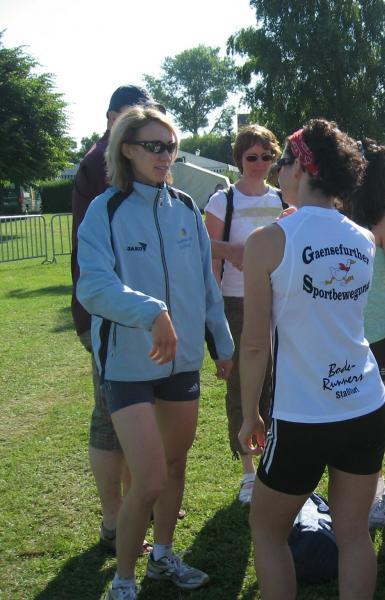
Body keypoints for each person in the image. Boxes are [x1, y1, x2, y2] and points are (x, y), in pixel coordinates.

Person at [77, 106, 234, 600]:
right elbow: (93, 287)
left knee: (174, 466)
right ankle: (124, 580)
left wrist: (222, 343)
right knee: (146, 480)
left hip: (182, 363)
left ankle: (163, 556)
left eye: (171, 147)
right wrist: (151, 312)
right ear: (127, 149)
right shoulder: (105, 210)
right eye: (154, 147)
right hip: (128, 365)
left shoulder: (185, 207)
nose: (166, 156)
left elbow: (205, 284)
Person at [238, 119, 385, 600]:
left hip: (303, 414)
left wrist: (249, 414)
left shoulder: (267, 241)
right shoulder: (364, 238)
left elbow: (255, 343)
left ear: (303, 168)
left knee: (267, 530)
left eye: (283, 161)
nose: (277, 171)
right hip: (364, 406)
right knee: (354, 533)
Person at [70, 85, 164, 557]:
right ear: (113, 120)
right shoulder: (99, 165)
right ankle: (114, 518)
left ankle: (137, 502)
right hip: (109, 314)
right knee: (111, 417)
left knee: (138, 415)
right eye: (134, 117)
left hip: (140, 315)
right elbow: (99, 267)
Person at [204, 125, 283, 504]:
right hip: (236, 300)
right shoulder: (223, 201)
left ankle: (271, 457)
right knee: (242, 385)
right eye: (252, 157)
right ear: (239, 159)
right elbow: (206, 248)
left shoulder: (282, 199)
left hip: (279, 301)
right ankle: (248, 469)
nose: (260, 163)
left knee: (277, 381)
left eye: (267, 156)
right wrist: (234, 252)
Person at [340, 139, 385, 528]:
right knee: (354, 420)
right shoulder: (343, 215)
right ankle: (371, 490)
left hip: (383, 335)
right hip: (347, 336)